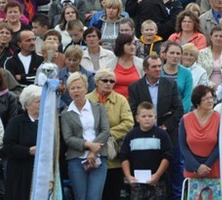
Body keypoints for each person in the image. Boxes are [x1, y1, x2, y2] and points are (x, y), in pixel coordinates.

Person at [61, 72, 110, 200]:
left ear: (86, 88)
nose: (76, 91)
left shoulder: (99, 108)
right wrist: (89, 145)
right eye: (72, 88)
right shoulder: (66, 113)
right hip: (76, 159)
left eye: (79, 87)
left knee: (94, 197)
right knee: (80, 197)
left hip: (99, 157)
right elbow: (68, 138)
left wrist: (94, 151)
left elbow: (105, 131)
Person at [86, 68, 134, 200]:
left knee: (112, 193)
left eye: (112, 81)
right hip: (90, 153)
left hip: (113, 155)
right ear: (96, 82)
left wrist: (106, 134)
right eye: (105, 80)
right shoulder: (86, 99)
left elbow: (129, 123)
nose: (108, 83)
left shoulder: (121, 100)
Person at [119, 101, 174, 200]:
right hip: (137, 183)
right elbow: (124, 156)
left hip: (157, 182)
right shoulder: (131, 135)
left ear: (155, 117)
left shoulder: (162, 135)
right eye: (143, 116)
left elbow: (167, 156)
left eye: (150, 116)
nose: (147, 119)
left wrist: (157, 175)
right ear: (137, 118)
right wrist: (128, 176)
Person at [179, 85, 221, 195]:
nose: (210, 101)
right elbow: (183, 146)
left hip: (213, 170)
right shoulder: (186, 119)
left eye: (211, 97)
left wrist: (206, 166)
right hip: (192, 170)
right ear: (198, 102)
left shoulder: (219, 118)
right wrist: (197, 167)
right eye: (206, 99)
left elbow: (220, 145)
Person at [2, 84, 42, 200]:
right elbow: (8, 147)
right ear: (27, 105)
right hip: (21, 172)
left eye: (41, 101)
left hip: (41, 170)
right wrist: (28, 151)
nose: (41, 104)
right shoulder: (16, 122)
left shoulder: (47, 122)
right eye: (37, 102)